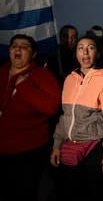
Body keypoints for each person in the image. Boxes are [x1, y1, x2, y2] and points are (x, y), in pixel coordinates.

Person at [50, 34, 103, 201]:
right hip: (71, 145)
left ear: (97, 52)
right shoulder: (69, 79)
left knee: (97, 194)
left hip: (95, 146)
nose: (85, 52)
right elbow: (65, 116)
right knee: (74, 193)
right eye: (81, 48)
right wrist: (57, 144)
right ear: (76, 53)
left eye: (90, 48)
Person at [0, 34, 61, 201]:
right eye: (14, 46)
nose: (18, 49)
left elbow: (51, 107)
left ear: (33, 54)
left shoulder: (41, 75)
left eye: (24, 46)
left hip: (28, 152)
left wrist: (24, 86)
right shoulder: (2, 72)